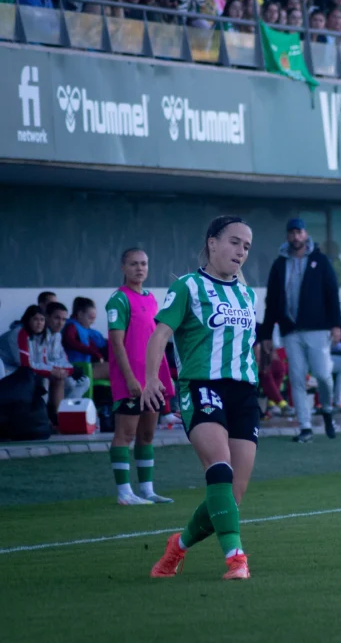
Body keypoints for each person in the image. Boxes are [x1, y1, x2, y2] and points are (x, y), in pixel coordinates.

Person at [147, 216, 260, 581]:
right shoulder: (187, 287)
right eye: (234, 242)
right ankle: (236, 559)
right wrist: (152, 379)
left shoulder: (246, 293)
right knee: (220, 471)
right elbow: (160, 335)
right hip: (202, 386)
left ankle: (176, 547)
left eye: (246, 246)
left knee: (233, 496)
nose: (241, 251)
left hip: (243, 392)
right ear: (212, 242)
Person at [259, 217, 341, 444]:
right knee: (296, 377)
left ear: (306, 234)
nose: (296, 237)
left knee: (323, 376)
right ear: (288, 236)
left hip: (318, 328)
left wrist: (336, 325)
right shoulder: (279, 264)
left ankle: (326, 409)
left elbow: (332, 294)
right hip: (291, 330)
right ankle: (305, 426)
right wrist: (266, 334)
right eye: (292, 233)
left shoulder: (320, 260)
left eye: (299, 232)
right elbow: (272, 301)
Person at [104, 248, 176, 505]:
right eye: (134, 264)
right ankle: (124, 493)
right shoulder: (118, 300)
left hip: (152, 378)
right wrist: (131, 379)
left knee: (147, 434)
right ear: (123, 267)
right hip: (131, 379)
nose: (140, 268)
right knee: (125, 434)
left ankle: (146, 489)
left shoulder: (152, 298)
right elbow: (117, 343)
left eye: (144, 263)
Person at [63, 297, 110, 381]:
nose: (92, 322)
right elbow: (70, 340)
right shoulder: (72, 326)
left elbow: (93, 346)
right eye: (90, 318)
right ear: (80, 314)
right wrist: (93, 353)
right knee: (117, 369)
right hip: (77, 367)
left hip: (85, 365)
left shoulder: (83, 329)